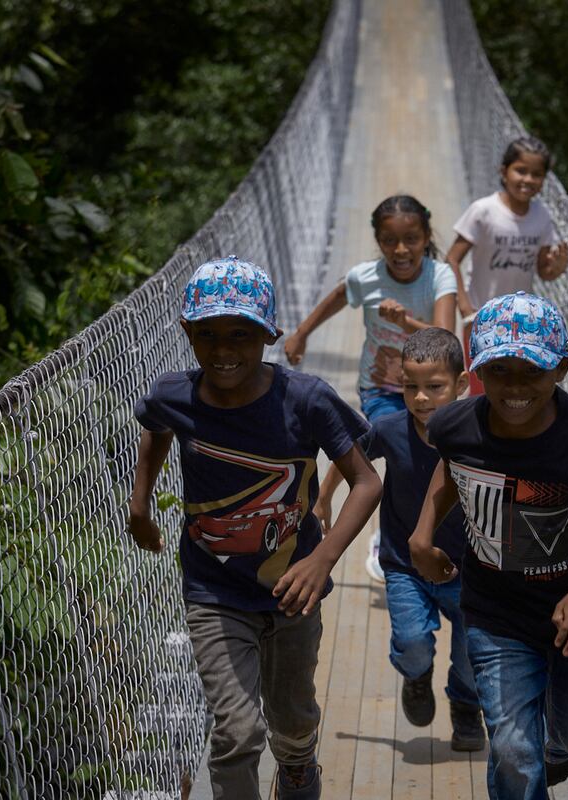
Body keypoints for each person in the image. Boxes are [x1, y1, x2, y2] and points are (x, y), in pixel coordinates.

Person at [128, 255, 383, 800]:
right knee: (237, 731)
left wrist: (322, 560)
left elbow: (366, 482)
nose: (223, 349)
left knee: (291, 717)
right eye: (208, 334)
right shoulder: (174, 395)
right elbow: (155, 427)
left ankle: (297, 763)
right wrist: (140, 506)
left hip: (293, 589)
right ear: (187, 333)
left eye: (240, 335)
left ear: (270, 335)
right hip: (213, 590)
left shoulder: (304, 400)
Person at [409, 291, 568, 800]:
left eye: (532, 372)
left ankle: (559, 750)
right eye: (499, 371)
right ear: (477, 371)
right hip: (493, 611)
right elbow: (453, 469)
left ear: (561, 369)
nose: (515, 386)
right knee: (511, 749)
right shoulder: (452, 425)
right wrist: (421, 535)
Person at [313, 327, 484, 751]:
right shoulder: (390, 429)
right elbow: (349, 455)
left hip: (469, 569)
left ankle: (465, 705)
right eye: (411, 387)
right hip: (405, 565)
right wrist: (323, 499)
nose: (421, 398)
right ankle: (416, 675)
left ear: (461, 384)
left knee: (471, 655)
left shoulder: (479, 432)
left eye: (434, 387)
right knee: (412, 643)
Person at [284, 194, 457, 582]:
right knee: (389, 441)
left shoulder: (439, 276)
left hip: (432, 387)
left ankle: (410, 529)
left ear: (426, 237)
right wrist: (301, 333)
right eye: (389, 241)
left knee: (425, 456)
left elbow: (446, 336)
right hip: (381, 387)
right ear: (378, 241)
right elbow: (337, 296)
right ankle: (377, 528)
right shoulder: (366, 277)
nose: (401, 250)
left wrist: (405, 322)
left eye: (411, 239)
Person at [446, 136, 568, 395]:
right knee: (482, 388)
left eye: (536, 174)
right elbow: (452, 258)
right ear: (504, 172)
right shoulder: (484, 211)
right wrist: (464, 306)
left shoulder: (541, 216)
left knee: (513, 387)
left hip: (522, 322)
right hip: (481, 317)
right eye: (521, 170)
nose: (528, 179)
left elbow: (543, 271)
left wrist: (556, 268)